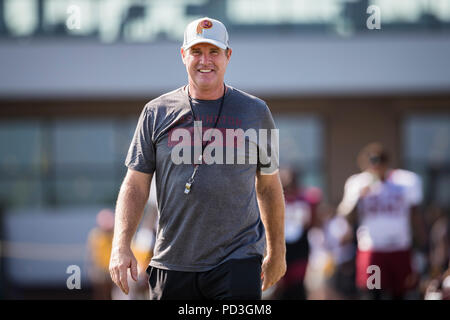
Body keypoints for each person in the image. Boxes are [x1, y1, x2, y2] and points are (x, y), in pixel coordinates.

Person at [109, 17, 286, 300]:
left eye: (214, 51)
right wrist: (120, 245)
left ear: (228, 56)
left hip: (237, 260)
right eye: (196, 52)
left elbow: (268, 186)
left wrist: (277, 252)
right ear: (183, 55)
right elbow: (135, 185)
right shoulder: (156, 113)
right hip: (172, 261)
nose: (206, 60)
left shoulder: (256, 111)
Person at [337, 142, 424, 300]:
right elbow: (345, 215)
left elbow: (415, 214)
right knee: (372, 292)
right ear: (364, 163)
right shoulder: (358, 183)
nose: (376, 165)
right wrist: (358, 198)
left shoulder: (405, 181)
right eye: (372, 161)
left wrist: (422, 242)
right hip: (373, 249)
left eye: (380, 160)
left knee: (401, 294)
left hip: (400, 247)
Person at [86, 208, 115, 300]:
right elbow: (91, 254)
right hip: (100, 271)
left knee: (113, 293)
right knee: (101, 294)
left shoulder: (115, 235)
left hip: (113, 269)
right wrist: (92, 270)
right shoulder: (95, 235)